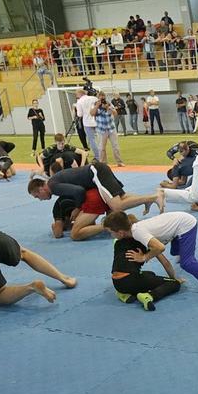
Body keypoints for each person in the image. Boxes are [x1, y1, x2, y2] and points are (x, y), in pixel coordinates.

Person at [103, 210, 198, 299]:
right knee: (175, 253)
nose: (111, 235)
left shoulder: (138, 233)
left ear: (120, 232)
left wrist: (144, 257)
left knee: (187, 263)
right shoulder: (135, 231)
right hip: (177, 222)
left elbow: (160, 247)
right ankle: (181, 252)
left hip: (185, 224)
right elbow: (164, 261)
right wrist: (174, 278)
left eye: (110, 232)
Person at [29, 162, 158, 237]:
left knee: (117, 206)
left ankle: (152, 197)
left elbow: (79, 191)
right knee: (120, 199)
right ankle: (134, 211)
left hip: (95, 173)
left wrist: (77, 209)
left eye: (37, 196)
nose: (40, 199)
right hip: (96, 178)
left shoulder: (53, 186)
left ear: (41, 189)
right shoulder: (55, 183)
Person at [110, 232, 182, 311]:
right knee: (174, 283)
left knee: (150, 274)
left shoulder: (118, 241)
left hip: (117, 283)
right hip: (131, 281)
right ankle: (149, 296)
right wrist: (173, 278)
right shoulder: (148, 242)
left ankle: (123, 293)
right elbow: (165, 263)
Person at [92, 92, 125, 167]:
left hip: (111, 128)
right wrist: (97, 106)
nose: (102, 98)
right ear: (98, 97)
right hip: (101, 129)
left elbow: (115, 113)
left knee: (115, 146)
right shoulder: (95, 104)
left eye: (103, 96)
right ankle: (103, 164)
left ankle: (119, 162)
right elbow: (92, 113)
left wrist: (108, 108)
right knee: (101, 148)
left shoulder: (109, 103)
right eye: (100, 96)